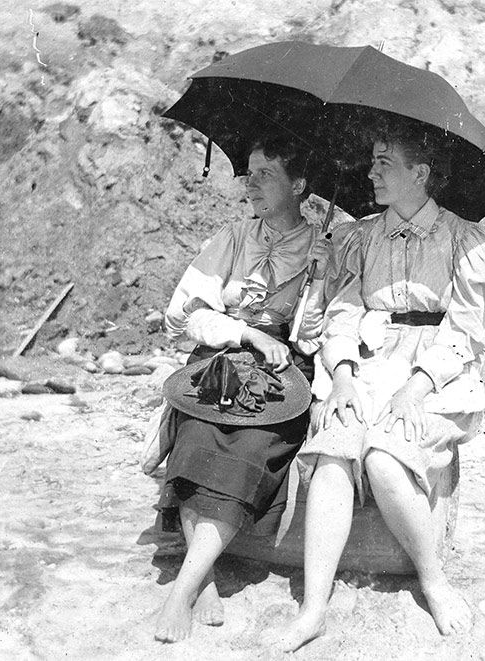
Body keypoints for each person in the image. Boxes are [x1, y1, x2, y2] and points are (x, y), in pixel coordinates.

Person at [273, 120, 485, 651]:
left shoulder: (463, 238)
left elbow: (468, 330)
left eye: (384, 163)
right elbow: (345, 313)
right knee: (332, 455)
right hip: (370, 364)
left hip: (438, 372)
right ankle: (314, 608)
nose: (371, 172)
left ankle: (433, 579)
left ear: (420, 174)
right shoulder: (360, 237)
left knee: (381, 457)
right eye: (372, 161)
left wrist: (417, 387)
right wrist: (344, 377)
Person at [154, 133, 326, 643]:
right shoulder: (231, 239)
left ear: (298, 185)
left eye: (263, 175)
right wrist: (243, 331)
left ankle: (183, 586)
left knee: (250, 446)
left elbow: (313, 338)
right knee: (195, 436)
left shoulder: (324, 248)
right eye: (248, 173)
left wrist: (320, 277)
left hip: (282, 374)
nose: (248, 184)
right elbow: (180, 315)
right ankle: (195, 582)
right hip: (218, 360)